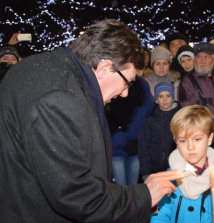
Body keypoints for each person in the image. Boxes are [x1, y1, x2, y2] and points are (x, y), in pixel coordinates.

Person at [0, 19, 182, 222]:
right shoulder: (59, 97)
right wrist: (144, 195)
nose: (124, 93)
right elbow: (75, 194)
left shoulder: (42, 67)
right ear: (104, 67)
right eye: (126, 83)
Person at [150, 105, 214, 223]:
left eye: (197, 139)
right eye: (183, 140)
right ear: (176, 142)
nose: (190, 147)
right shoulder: (168, 179)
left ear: (209, 139)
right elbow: (156, 218)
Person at [105, 75, 155, 185]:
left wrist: (141, 140)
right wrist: (123, 141)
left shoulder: (142, 84)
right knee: (120, 190)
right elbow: (107, 119)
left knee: (133, 189)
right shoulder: (111, 84)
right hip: (116, 150)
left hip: (136, 148)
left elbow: (149, 112)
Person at [139, 82, 181, 181]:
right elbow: (144, 147)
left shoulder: (179, 118)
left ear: (173, 98)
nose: (165, 100)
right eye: (161, 96)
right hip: (155, 169)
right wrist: (145, 172)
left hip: (175, 167)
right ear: (156, 100)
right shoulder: (150, 119)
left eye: (168, 96)